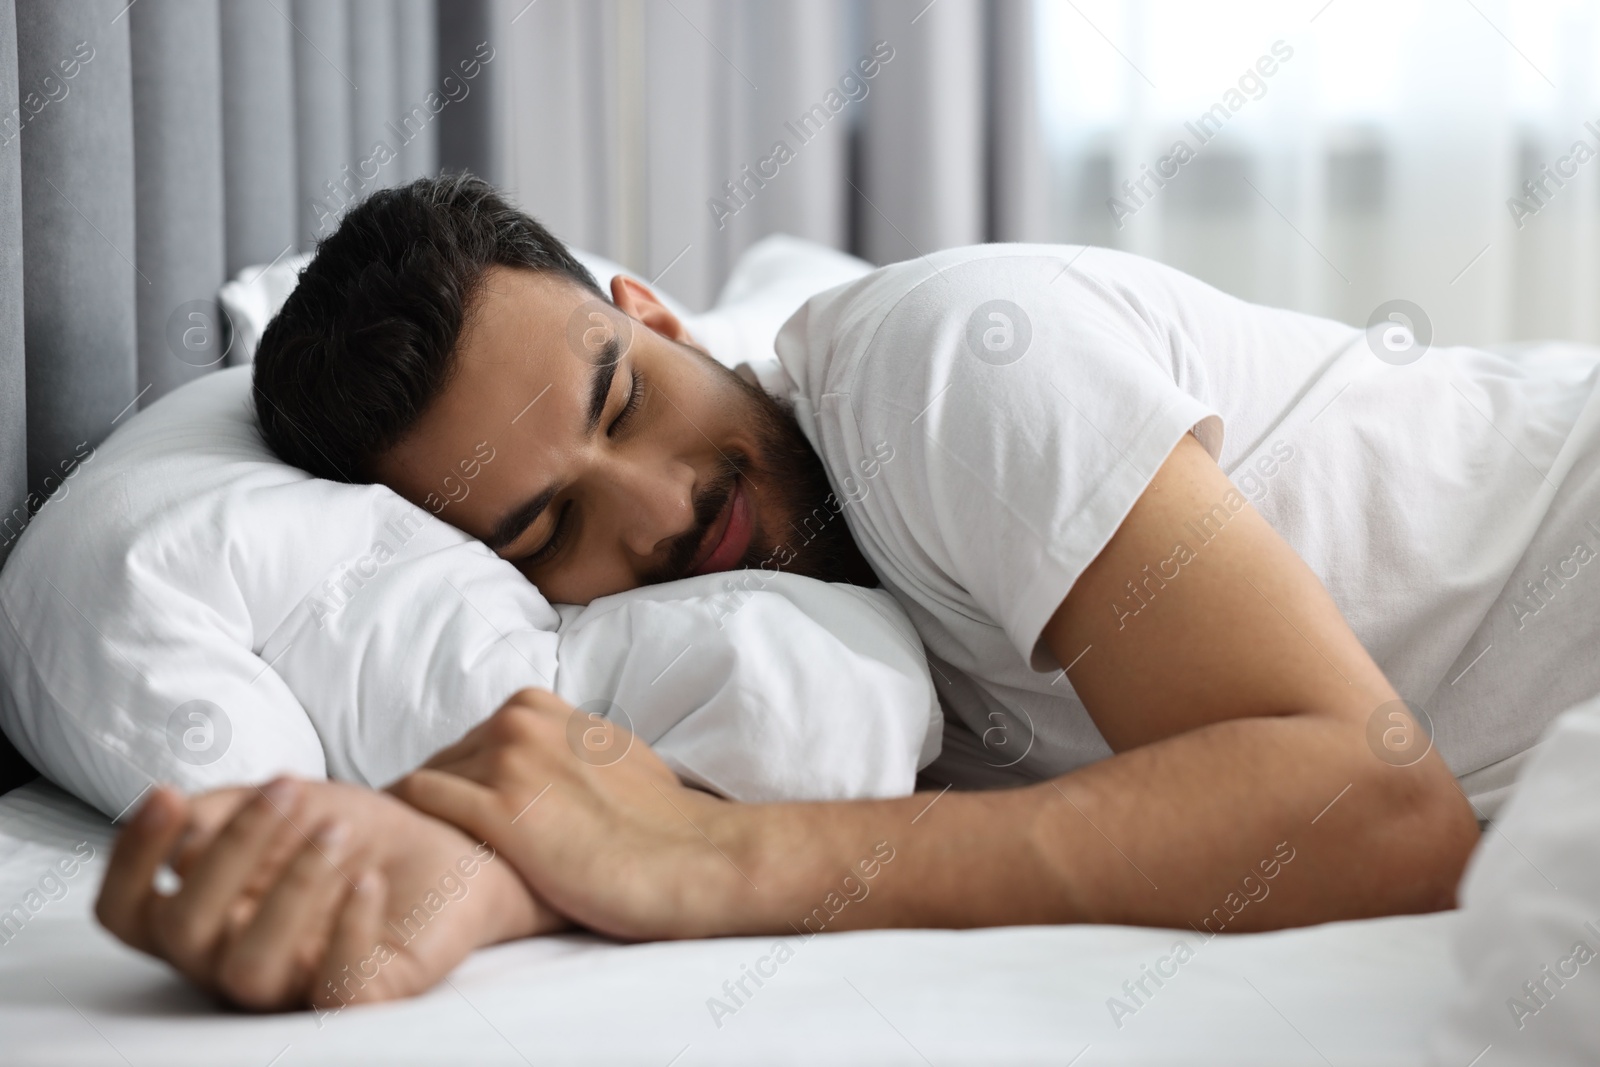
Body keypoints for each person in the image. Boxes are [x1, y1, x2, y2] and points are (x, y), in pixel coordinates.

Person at [101, 171, 1600, 1011]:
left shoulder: (947, 360)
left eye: (623, 402)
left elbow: (1376, 814)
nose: (663, 513)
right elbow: (599, 816)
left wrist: (704, 866)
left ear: (655, 314)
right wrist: (426, 884)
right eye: (545, 527)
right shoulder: (750, 638)